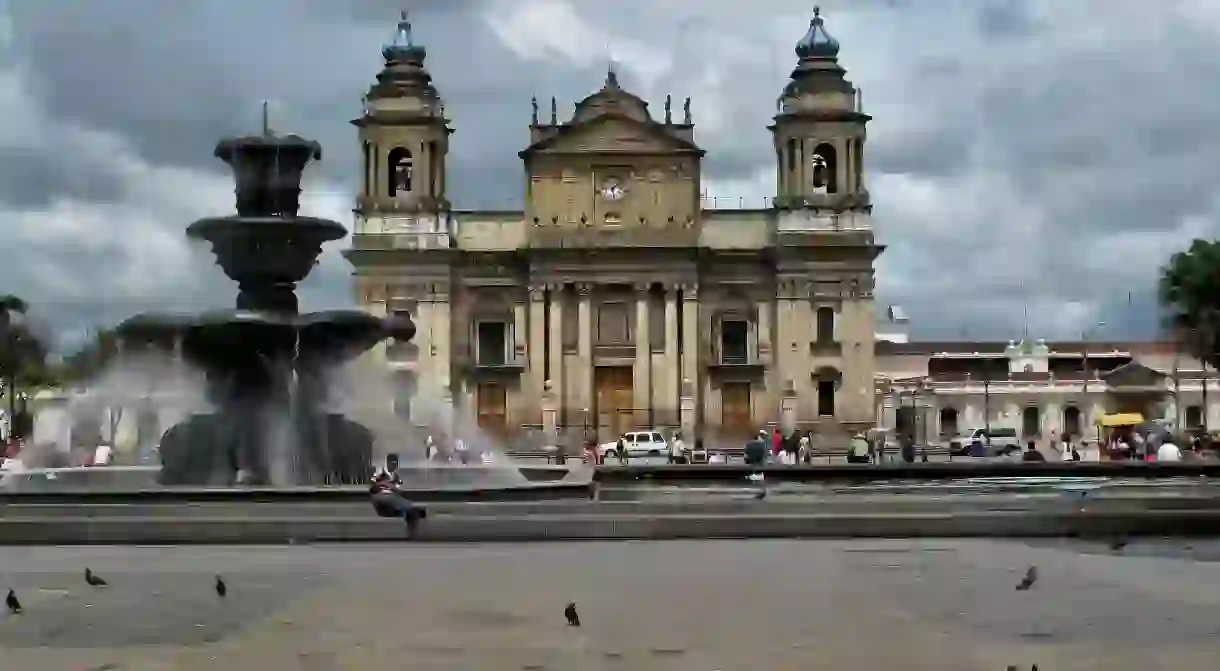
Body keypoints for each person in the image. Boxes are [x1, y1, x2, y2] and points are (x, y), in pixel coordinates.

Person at [369, 469, 425, 535]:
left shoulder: (392, 488)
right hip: (384, 503)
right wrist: (385, 484)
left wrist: (392, 486)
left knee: (411, 512)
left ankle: (414, 518)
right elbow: (374, 490)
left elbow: (400, 492)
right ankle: (413, 510)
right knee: (393, 499)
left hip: (393, 506)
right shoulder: (378, 488)